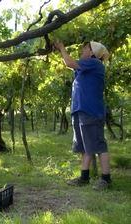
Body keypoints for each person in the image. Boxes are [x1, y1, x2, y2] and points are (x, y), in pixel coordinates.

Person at [54, 40, 111, 190]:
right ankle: (84, 177)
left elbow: (69, 62)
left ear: (92, 52)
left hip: (91, 110)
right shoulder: (84, 68)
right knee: (84, 146)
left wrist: (61, 47)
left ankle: (106, 179)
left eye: (85, 48)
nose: (82, 50)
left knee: (98, 145)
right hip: (80, 110)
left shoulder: (94, 63)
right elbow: (71, 64)